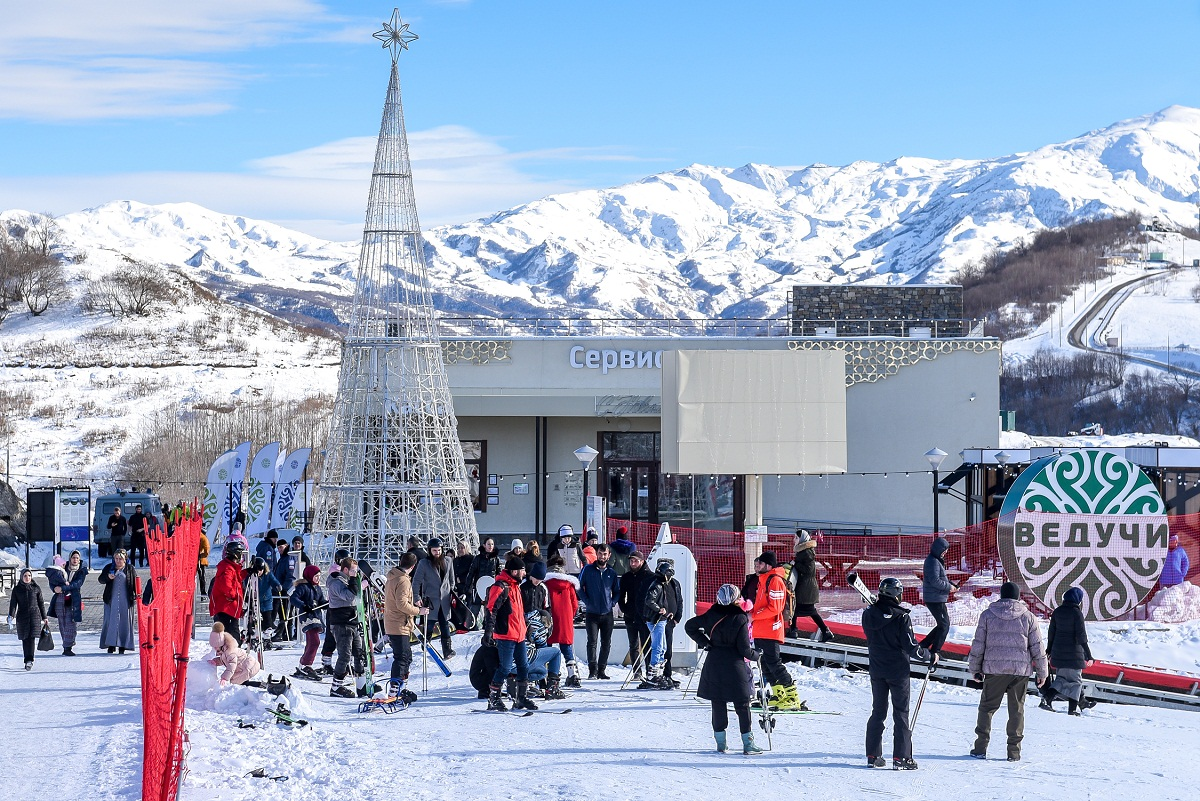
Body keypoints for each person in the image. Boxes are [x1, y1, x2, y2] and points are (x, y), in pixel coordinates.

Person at [967, 581, 1048, 762]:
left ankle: (980, 748)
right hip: (1020, 671)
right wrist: (1042, 672)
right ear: (1018, 596)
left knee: (987, 709)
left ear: (1002, 595)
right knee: (1016, 710)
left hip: (994, 670)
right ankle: (1014, 752)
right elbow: (1037, 647)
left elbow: (978, 644)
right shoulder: (1028, 617)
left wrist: (975, 668)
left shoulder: (988, 615)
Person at [863, 577, 936, 770]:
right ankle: (902, 757)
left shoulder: (868, 614)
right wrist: (930, 656)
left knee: (878, 712)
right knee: (901, 713)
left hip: (877, 669)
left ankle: (873, 755)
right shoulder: (902, 617)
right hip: (898, 671)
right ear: (896, 594)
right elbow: (912, 648)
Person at [685, 583, 763, 755]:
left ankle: (721, 744)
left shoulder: (712, 614)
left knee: (718, 703)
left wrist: (705, 642)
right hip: (735, 666)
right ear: (736, 599)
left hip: (714, 663)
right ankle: (748, 744)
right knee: (742, 705)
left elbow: (689, 626)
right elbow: (744, 649)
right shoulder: (740, 618)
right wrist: (757, 655)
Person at [748, 551, 803, 710]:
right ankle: (779, 695)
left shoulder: (775, 580)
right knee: (765, 664)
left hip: (770, 630)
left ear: (769, 565)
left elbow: (775, 607)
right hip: (760, 629)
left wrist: (754, 616)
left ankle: (792, 696)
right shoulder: (763, 579)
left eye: (761, 563)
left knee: (774, 663)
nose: (757, 565)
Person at [483, 556, 534, 711]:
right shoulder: (501, 586)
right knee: (505, 668)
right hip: (505, 635)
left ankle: (521, 698)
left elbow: (518, 612)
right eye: (522, 570)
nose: (524, 573)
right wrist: (489, 632)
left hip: (519, 634)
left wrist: (526, 626)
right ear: (514, 571)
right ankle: (494, 698)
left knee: (523, 666)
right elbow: (491, 609)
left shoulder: (516, 586)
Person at [1039, 586, 1096, 715]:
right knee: (1076, 682)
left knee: (1061, 680)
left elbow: (1051, 632)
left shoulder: (1057, 612)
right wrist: (1089, 655)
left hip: (1058, 653)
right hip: (1074, 654)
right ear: (1077, 600)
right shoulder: (1076, 613)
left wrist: (1049, 649)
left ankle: (1046, 699)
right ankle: (1072, 710)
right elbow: (1081, 636)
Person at [384, 553, 427, 701]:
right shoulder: (403, 580)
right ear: (413, 566)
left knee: (406, 657)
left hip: (395, 622)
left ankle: (401, 687)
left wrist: (413, 605)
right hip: (398, 623)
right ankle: (394, 692)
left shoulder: (392, 577)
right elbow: (401, 604)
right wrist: (417, 611)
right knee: (402, 658)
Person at [523, 562, 566, 699]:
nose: (537, 581)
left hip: (539, 624)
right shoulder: (522, 586)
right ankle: (529, 679)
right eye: (536, 579)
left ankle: (543, 679)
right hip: (525, 624)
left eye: (540, 579)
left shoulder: (543, 588)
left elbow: (547, 607)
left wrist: (546, 618)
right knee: (529, 651)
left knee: (543, 649)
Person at [327, 556, 367, 698]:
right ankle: (336, 687)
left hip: (352, 621)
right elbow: (350, 597)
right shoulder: (336, 583)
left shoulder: (347, 580)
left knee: (359, 653)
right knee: (345, 656)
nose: (355, 574)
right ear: (345, 570)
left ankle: (362, 685)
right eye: (353, 571)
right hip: (341, 623)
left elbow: (357, 597)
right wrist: (354, 581)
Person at [579, 542, 619, 679]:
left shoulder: (611, 572)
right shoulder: (588, 569)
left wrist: (612, 602)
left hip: (607, 613)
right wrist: (587, 601)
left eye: (605, 554)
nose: (602, 556)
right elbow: (578, 587)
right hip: (592, 613)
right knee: (592, 642)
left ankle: (602, 670)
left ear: (609, 555)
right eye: (600, 553)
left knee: (606, 642)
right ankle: (592, 670)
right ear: (597, 554)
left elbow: (617, 591)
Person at [641, 558, 683, 689]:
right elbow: (649, 600)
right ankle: (653, 675)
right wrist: (660, 610)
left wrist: (670, 614)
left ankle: (660, 674)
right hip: (656, 620)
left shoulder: (671, 584)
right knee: (658, 647)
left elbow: (674, 600)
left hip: (664, 619)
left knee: (664, 648)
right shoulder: (657, 584)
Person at [413, 537, 457, 659]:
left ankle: (447, 650)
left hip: (445, 600)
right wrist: (416, 597)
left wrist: (451, 592)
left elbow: (451, 580)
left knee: (444, 625)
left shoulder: (448, 561)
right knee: (429, 624)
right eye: (434, 551)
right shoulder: (424, 563)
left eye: (439, 550)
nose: (437, 553)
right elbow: (416, 581)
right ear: (429, 551)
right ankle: (426, 644)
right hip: (431, 600)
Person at [791, 530, 834, 642]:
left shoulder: (806, 553)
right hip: (805, 587)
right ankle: (794, 630)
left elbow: (809, 570)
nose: (793, 540)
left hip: (807, 588)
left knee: (801, 609)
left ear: (802, 539)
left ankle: (794, 631)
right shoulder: (803, 552)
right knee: (796, 608)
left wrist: (796, 564)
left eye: (796, 537)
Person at [545, 556, 581, 687]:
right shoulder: (569, 584)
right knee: (566, 647)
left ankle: (549, 674)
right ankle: (572, 675)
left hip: (549, 620)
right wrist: (569, 616)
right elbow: (574, 604)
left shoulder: (546, 583)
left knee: (546, 647)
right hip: (565, 619)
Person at [618, 550, 652, 680]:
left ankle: (650, 671)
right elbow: (621, 596)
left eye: (636, 561)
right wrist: (624, 608)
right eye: (631, 561)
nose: (633, 563)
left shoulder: (649, 576)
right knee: (633, 644)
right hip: (630, 615)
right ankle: (637, 671)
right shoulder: (626, 577)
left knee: (646, 644)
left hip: (645, 616)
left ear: (642, 561)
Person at [290, 564, 328, 681]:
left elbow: (320, 601)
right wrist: (303, 606)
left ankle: (303, 665)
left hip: (316, 617)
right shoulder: (303, 587)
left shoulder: (317, 588)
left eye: (319, 576)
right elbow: (294, 598)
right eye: (316, 576)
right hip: (307, 617)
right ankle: (306, 665)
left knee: (312, 641)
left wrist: (327, 604)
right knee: (315, 642)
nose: (317, 578)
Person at [920, 536, 956, 655]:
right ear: (938, 549)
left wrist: (950, 584)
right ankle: (935, 651)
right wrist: (948, 587)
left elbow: (940, 577)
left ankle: (923, 645)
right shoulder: (932, 561)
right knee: (944, 625)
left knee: (942, 625)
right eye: (944, 550)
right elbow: (935, 581)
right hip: (934, 598)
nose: (945, 553)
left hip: (936, 597)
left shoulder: (935, 560)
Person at [46, 551, 87, 655]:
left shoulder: (81, 570)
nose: (75, 560)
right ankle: (66, 647)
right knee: (62, 623)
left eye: (77, 558)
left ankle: (68, 646)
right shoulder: (62, 567)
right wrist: (54, 588)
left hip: (73, 599)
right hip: (60, 598)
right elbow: (53, 580)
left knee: (71, 623)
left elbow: (77, 584)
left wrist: (63, 587)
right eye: (73, 557)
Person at [209, 539, 249, 643]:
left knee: (232, 633)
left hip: (229, 607)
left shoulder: (231, 567)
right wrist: (234, 596)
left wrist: (248, 571)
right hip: (226, 607)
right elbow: (226, 585)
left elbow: (237, 578)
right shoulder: (227, 567)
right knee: (231, 634)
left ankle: (231, 652)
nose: (241, 556)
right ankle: (229, 654)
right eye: (239, 553)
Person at [7, 568, 47, 670]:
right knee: (25, 639)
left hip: (34, 616)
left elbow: (41, 603)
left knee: (32, 638)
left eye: (29, 576)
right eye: (25, 576)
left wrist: (44, 617)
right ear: (21, 577)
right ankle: (27, 659)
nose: (27, 578)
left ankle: (30, 660)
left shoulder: (36, 588)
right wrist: (11, 615)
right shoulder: (17, 589)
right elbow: (13, 604)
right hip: (22, 617)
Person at [318, 548, 350, 675]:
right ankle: (327, 662)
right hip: (335, 608)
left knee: (346, 637)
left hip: (344, 607)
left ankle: (347, 662)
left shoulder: (344, 571)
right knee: (332, 636)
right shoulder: (335, 572)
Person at [99, 549, 137, 654]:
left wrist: (137, 595)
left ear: (125, 559)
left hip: (125, 599)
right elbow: (101, 579)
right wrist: (108, 577)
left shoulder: (130, 569)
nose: (118, 561)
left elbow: (135, 583)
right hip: (111, 599)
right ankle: (111, 644)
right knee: (111, 621)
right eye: (116, 558)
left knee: (124, 621)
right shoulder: (109, 568)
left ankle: (123, 645)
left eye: (120, 559)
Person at [207, 621, 261, 685]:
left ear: (221, 644)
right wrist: (216, 661)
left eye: (216, 646)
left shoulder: (230, 652)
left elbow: (231, 665)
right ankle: (249, 685)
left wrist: (224, 678)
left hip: (250, 667)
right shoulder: (224, 649)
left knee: (234, 681)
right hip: (244, 666)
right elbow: (224, 659)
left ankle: (257, 686)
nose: (215, 649)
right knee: (236, 679)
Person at [271, 540, 295, 640]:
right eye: (279, 547)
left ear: (286, 546)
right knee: (282, 612)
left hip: (285, 589)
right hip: (279, 588)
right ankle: (285, 633)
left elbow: (291, 575)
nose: (280, 549)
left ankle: (283, 633)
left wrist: (284, 587)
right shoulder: (282, 558)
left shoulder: (289, 558)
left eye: (282, 547)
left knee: (285, 611)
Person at [467, 538, 502, 603]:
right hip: (479, 586)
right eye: (488, 544)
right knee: (475, 608)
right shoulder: (478, 558)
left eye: (492, 544)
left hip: (492, 586)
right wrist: (467, 588)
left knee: (489, 609)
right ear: (484, 545)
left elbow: (499, 574)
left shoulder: (496, 559)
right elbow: (471, 573)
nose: (490, 546)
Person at [128, 504, 149, 568]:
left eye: (139, 509)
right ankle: (132, 564)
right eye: (137, 509)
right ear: (135, 509)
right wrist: (129, 531)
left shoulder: (144, 517)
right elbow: (129, 525)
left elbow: (148, 526)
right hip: (134, 535)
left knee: (142, 550)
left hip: (141, 535)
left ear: (141, 509)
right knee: (133, 550)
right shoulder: (132, 517)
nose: (138, 510)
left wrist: (141, 529)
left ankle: (141, 563)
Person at [196, 531, 210, 599]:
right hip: (200, 561)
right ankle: (203, 593)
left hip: (194, 559)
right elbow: (206, 551)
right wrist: (201, 556)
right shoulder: (204, 538)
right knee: (202, 577)